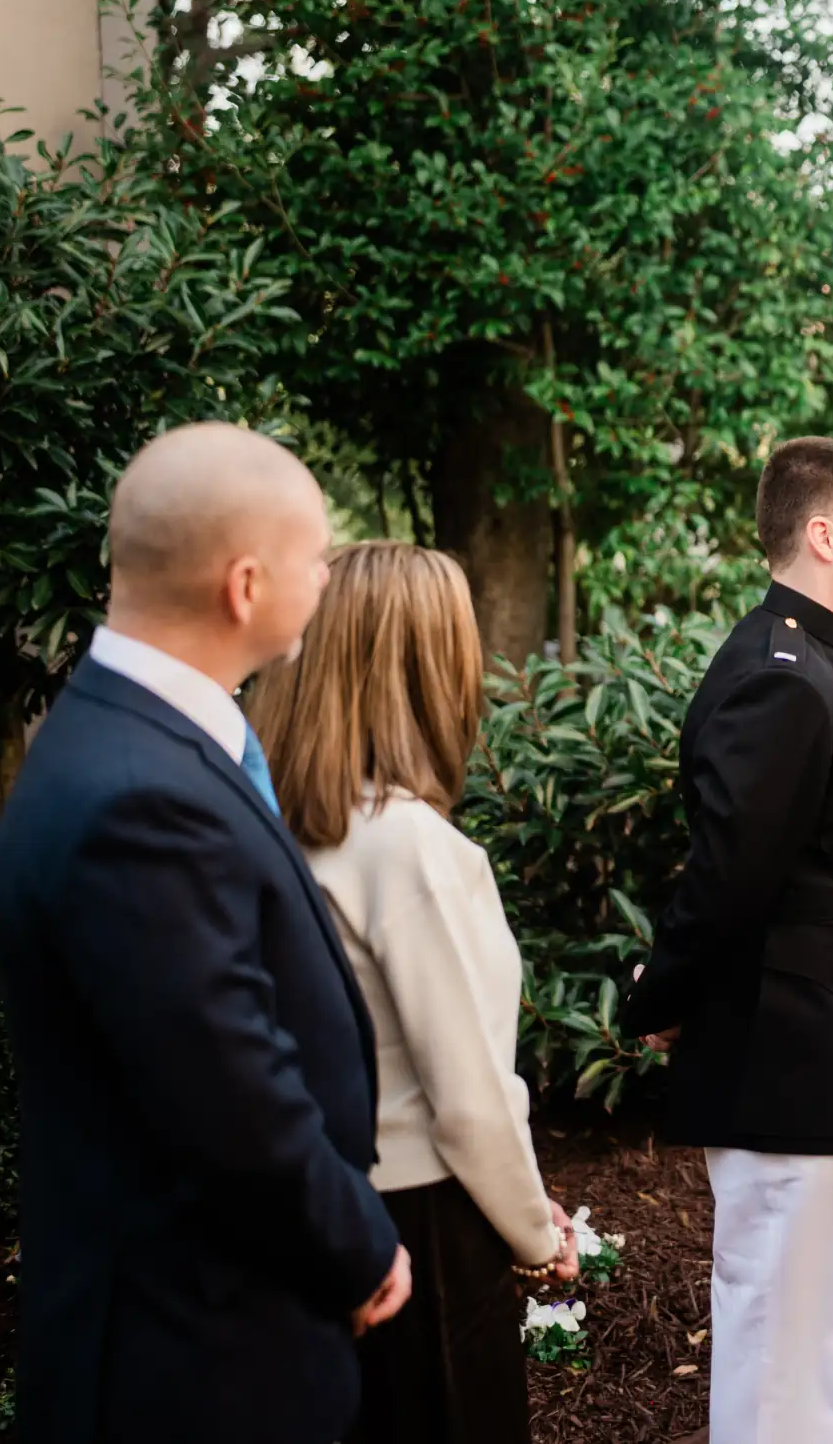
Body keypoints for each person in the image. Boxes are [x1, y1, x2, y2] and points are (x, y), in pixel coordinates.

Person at [0, 423, 410, 1444]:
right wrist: (358, 1248)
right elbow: (231, 1096)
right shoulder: (139, 795)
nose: (326, 578)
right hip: (191, 1361)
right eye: (316, 559)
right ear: (247, 585)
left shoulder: (127, 739)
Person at [618, 436, 833, 1444]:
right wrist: (662, 1000)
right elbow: (731, 880)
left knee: (817, 1328)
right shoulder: (786, 676)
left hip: (811, 1051)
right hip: (788, 1050)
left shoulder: (808, 661)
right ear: (822, 533)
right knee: (781, 1336)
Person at [250, 542, 580, 1444]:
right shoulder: (414, 850)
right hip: (424, 1230)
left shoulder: (281, 834)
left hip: (322, 1213)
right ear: (429, 664)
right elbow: (467, 1101)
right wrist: (536, 1232)